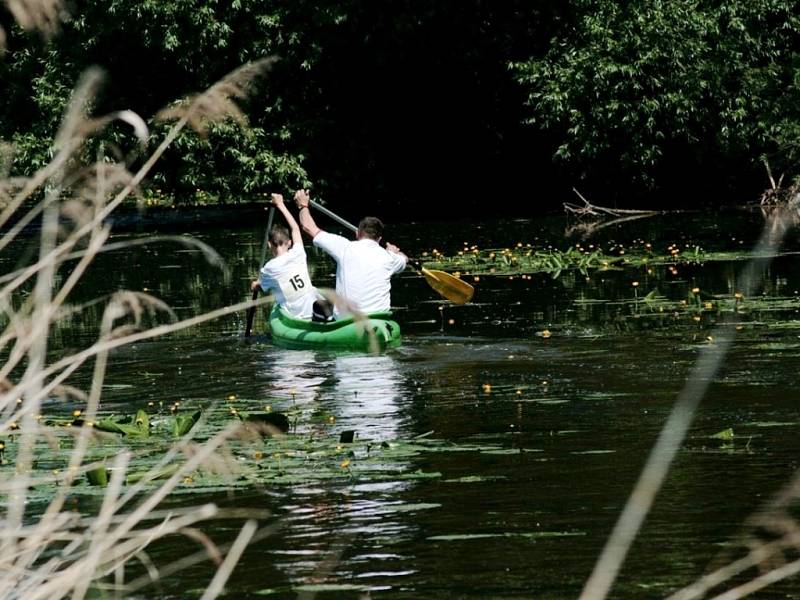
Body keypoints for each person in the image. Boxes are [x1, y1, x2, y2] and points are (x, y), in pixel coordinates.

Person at [294, 189, 407, 316]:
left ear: (357, 234)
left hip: (348, 321)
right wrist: (393, 252)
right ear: (379, 239)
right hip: (379, 319)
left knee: (319, 307)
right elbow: (404, 259)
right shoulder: (389, 257)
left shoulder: (344, 248)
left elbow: (308, 227)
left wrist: (303, 206)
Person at [251, 193, 332, 321]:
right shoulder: (298, 253)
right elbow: (295, 229)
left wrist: (255, 285)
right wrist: (281, 204)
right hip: (314, 306)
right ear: (289, 242)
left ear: (269, 244)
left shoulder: (268, 269)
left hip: (298, 316)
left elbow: (261, 287)